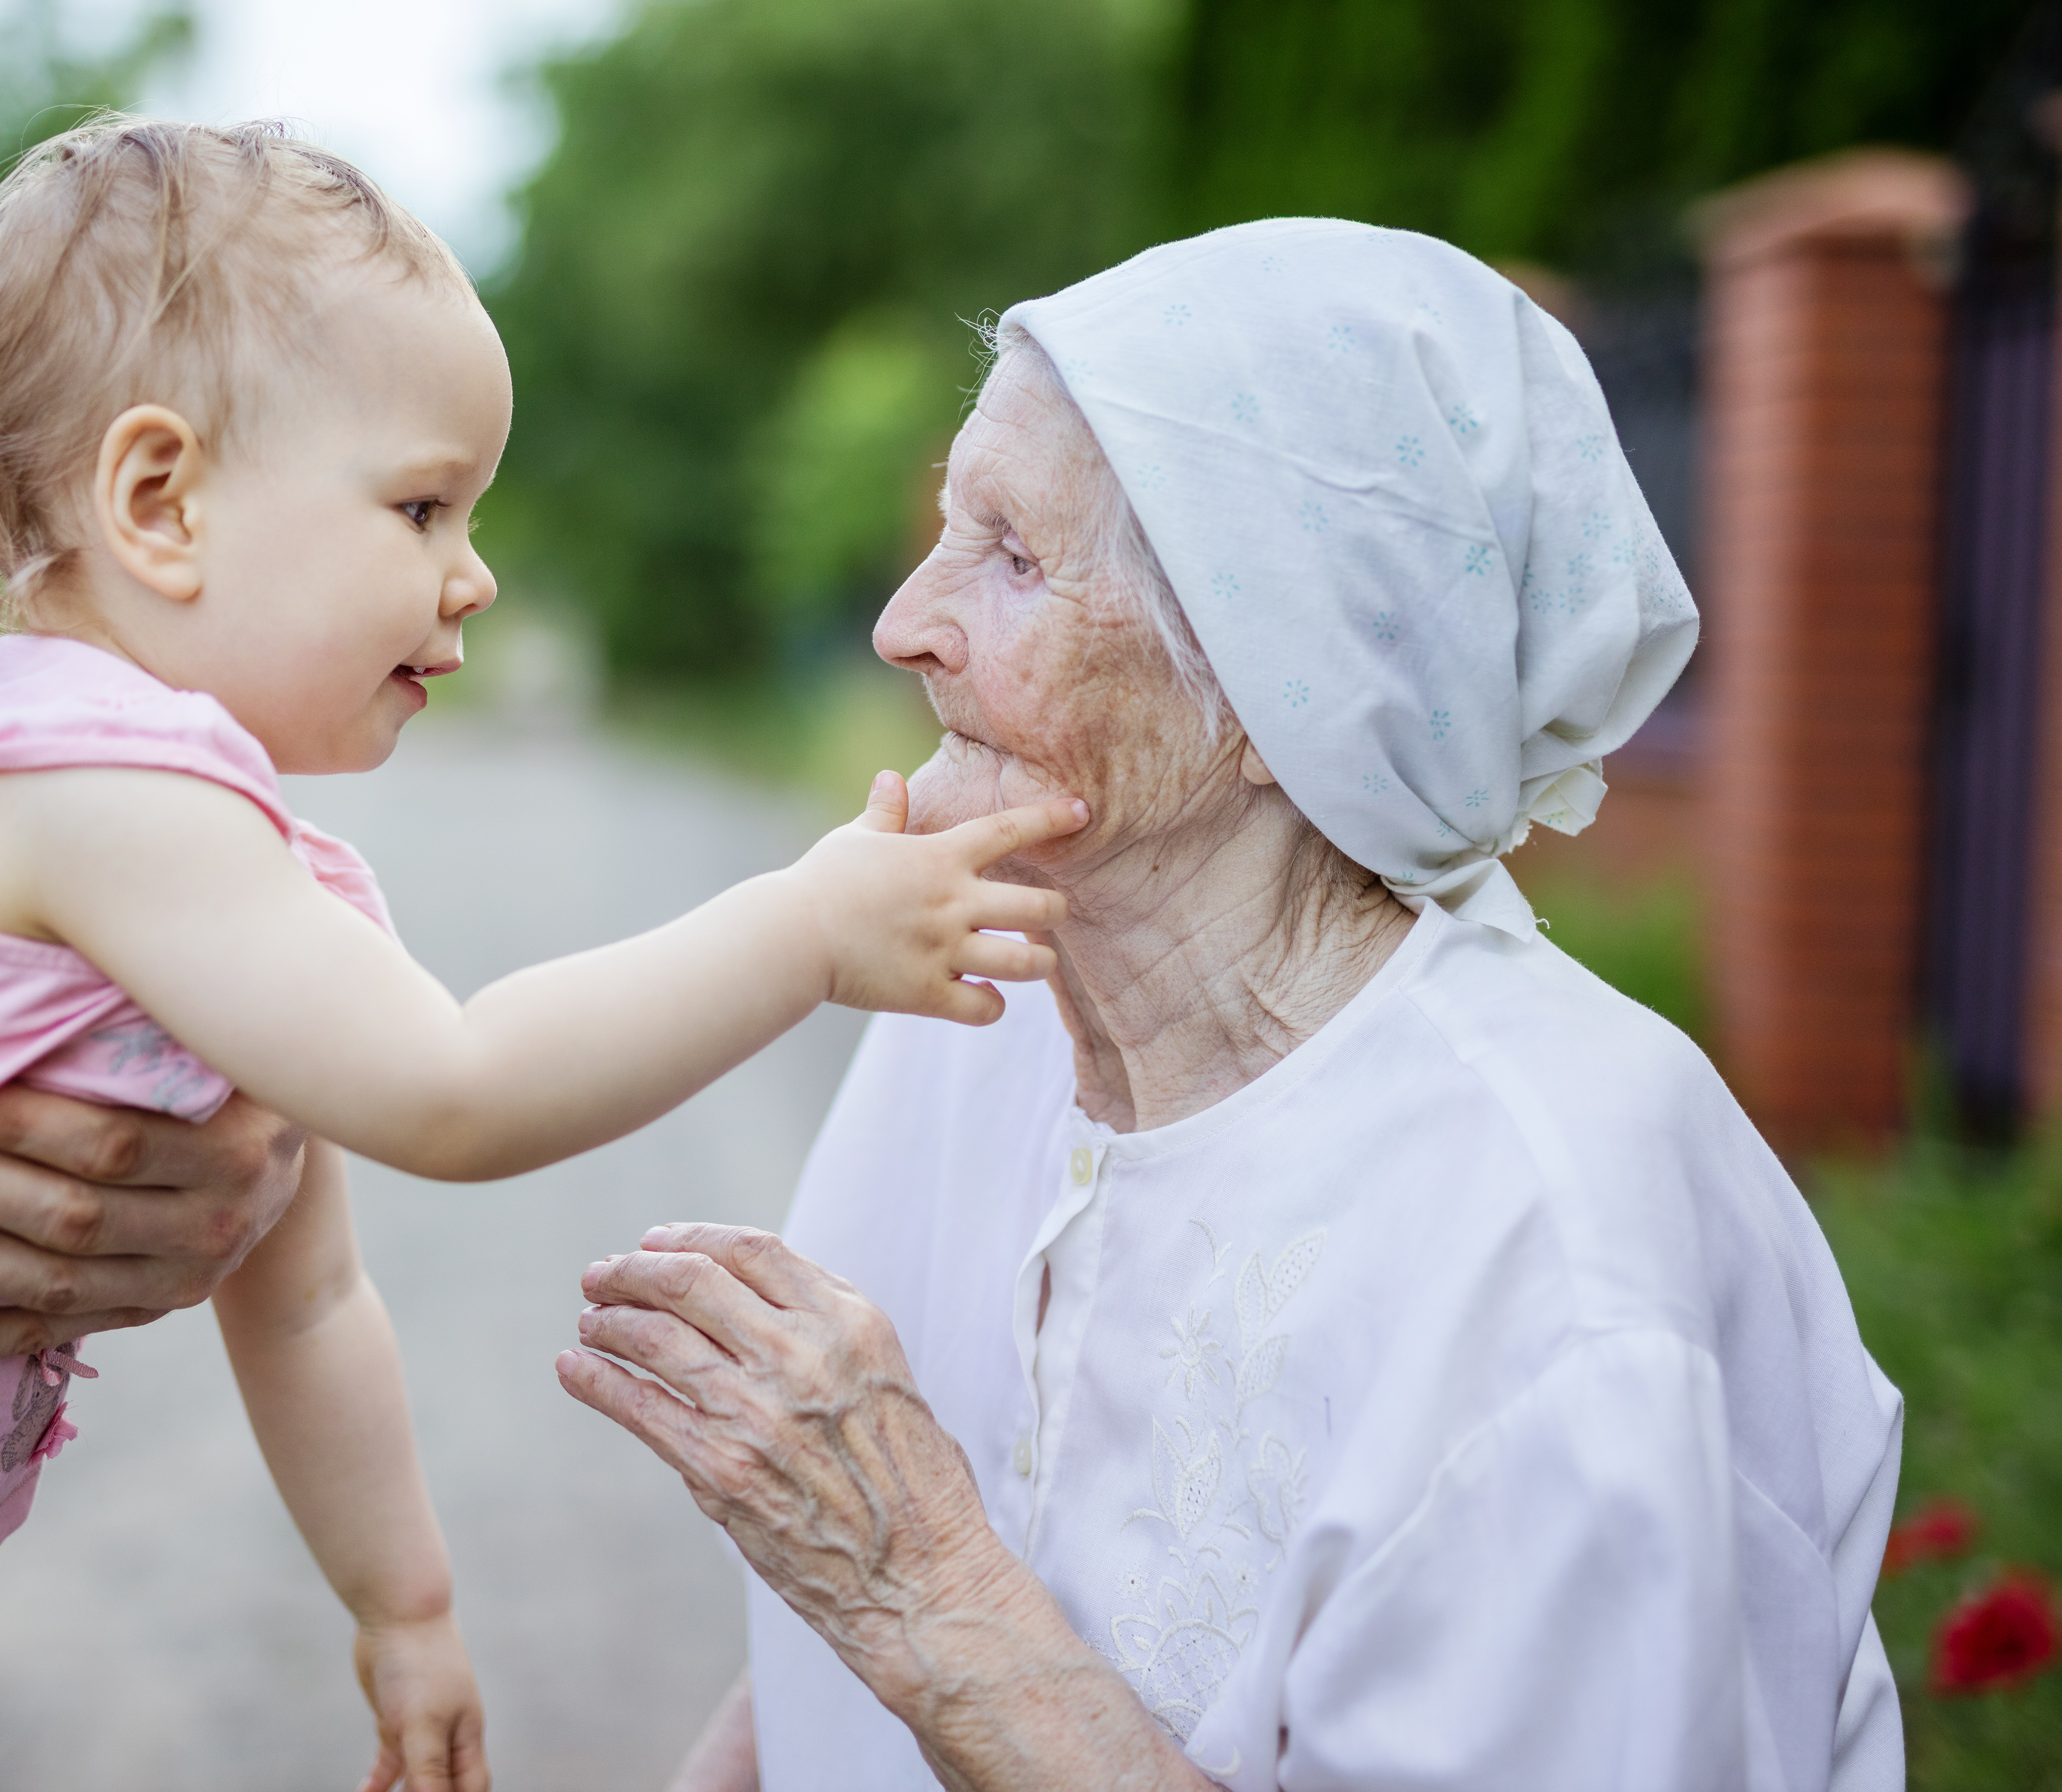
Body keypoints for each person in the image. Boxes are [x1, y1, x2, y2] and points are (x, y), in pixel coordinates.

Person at [0, 117, 1084, 1792]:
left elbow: (307, 1286)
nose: (473, 576)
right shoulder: (97, 796)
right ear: (161, 501)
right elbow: (459, 1090)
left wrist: (400, 1605)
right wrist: (804, 926)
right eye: (421, 507)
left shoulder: (223, 882)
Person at [565, 220, 1905, 1792]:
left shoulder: (1555, 1249)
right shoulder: (978, 989)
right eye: (945, 528)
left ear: (1295, 690)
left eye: (1010, 557)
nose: (902, 623)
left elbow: (890, 1585)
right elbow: (820, 1670)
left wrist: (923, 1589)